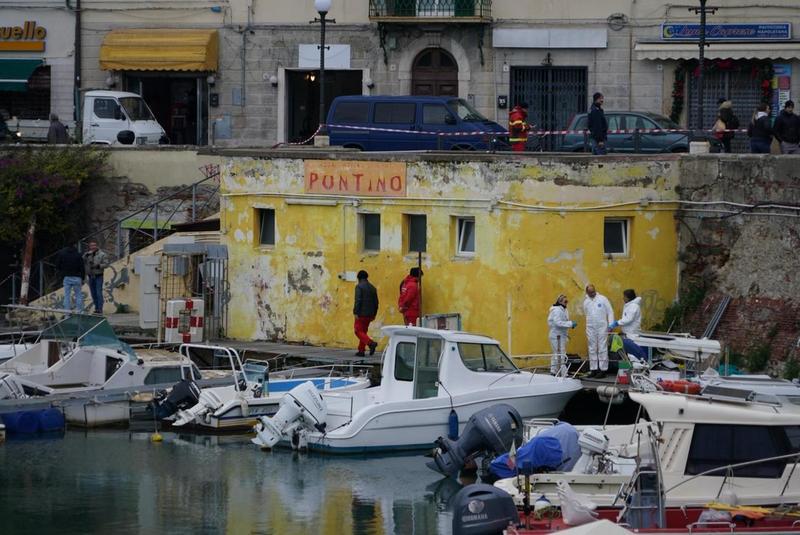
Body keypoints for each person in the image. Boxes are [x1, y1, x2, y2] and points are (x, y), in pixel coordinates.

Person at [582, 284, 614, 378]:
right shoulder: (586, 302)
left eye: (593, 291)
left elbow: (610, 311)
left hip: (602, 327)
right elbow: (586, 313)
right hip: (590, 327)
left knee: (602, 347)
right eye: (590, 292)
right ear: (587, 292)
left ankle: (603, 370)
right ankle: (593, 369)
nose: (592, 293)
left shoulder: (603, 299)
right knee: (592, 348)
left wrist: (611, 324)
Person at [547, 294, 577, 374]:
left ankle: (553, 371)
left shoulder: (564, 309)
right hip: (556, 335)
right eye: (565, 301)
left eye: (567, 301)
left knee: (556, 354)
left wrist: (569, 325)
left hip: (561, 335)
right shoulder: (556, 310)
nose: (567, 302)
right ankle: (564, 373)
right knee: (561, 354)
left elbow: (563, 322)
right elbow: (557, 323)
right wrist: (570, 324)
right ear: (560, 301)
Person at [353, 270, 379, 357]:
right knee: (363, 331)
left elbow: (358, 300)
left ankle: (371, 343)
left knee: (358, 331)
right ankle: (361, 350)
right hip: (370, 314)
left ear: (358, 278)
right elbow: (376, 302)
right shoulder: (373, 288)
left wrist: (356, 312)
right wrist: (374, 313)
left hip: (361, 313)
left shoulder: (359, 287)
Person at [83, 240, 110, 314]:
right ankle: (96, 308)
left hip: (98, 275)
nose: (93, 247)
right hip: (90, 276)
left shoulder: (102, 254)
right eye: (91, 245)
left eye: (94, 245)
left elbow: (106, 264)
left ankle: (100, 309)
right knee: (93, 293)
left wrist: (98, 265)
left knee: (98, 292)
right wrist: (85, 256)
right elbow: (82, 262)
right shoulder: (87, 254)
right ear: (89, 246)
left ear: (97, 246)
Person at [56, 244, 85, 313]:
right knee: (78, 295)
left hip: (67, 277)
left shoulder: (62, 254)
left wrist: (62, 273)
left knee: (67, 296)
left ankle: (67, 313)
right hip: (77, 277)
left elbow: (57, 265)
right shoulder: (78, 255)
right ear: (75, 246)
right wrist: (82, 277)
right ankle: (79, 312)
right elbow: (82, 267)